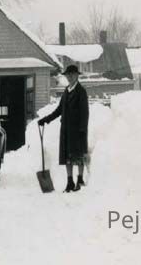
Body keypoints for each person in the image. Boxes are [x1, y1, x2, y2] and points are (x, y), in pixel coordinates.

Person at [38, 64, 89, 192]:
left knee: (78, 155)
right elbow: (59, 110)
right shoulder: (66, 91)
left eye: (72, 75)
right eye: (68, 75)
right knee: (67, 157)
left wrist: (82, 129)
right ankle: (70, 181)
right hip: (66, 130)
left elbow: (85, 113)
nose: (69, 77)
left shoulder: (81, 91)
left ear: (77, 76)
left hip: (78, 130)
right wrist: (46, 119)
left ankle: (80, 179)